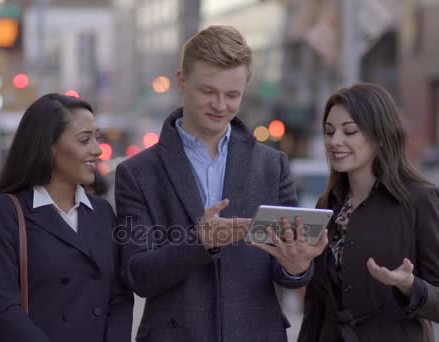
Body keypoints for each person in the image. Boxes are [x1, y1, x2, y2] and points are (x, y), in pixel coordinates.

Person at [114, 25, 328, 342]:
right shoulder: (137, 172)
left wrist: (296, 266)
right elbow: (138, 275)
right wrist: (199, 242)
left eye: (232, 95)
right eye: (208, 91)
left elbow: (289, 273)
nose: (220, 105)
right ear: (182, 81)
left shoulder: (272, 165)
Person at [297, 83, 439, 342]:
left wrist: (408, 285)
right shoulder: (327, 204)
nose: (335, 141)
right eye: (329, 132)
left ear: (380, 136)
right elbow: (316, 303)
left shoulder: (422, 200)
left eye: (349, 131)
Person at [0, 94, 133, 342]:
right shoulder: (0, 213)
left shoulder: (102, 212)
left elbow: (119, 298)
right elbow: (3, 311)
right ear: (48, 146)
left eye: (96, 138)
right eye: (84, 140)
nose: (98, 150)